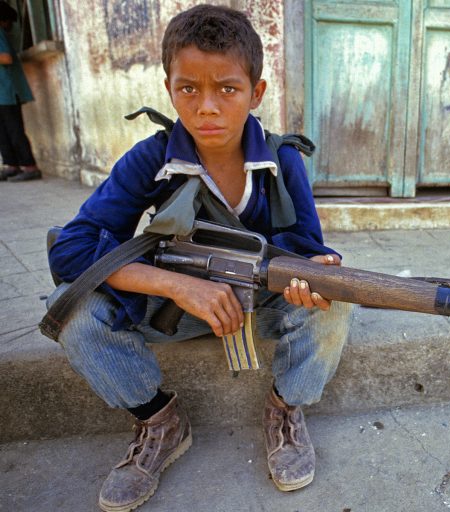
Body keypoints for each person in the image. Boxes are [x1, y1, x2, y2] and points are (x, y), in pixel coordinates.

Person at [46, 4, 351, 511]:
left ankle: (286, 408)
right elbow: (74, 247)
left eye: (227, 89)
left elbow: (306, 245)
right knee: (73, 311)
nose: (207, 107)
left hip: (261, 305)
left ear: (256, 93)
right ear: (169, 88)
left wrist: (311, 276)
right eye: (189, 88)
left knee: (337, 303)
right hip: (177, 308)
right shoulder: (152, 158)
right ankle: (160, 419)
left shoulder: (282, 159)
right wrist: (177, 286)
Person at [0, 1, 41, 181]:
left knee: (14, 130)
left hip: (7, 92)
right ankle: (12, 165)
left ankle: (29, 166)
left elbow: (7, 58)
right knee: (3, 132)